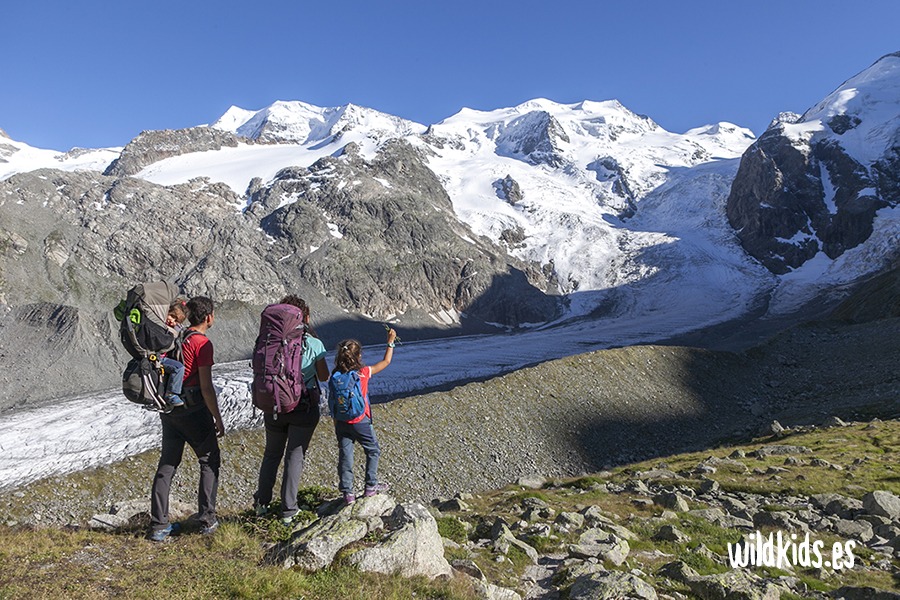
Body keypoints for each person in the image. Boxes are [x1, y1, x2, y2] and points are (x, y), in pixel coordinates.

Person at [149, 296, 226, 542]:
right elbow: (206, 386)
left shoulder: (175, 336)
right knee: (208, 459)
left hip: (170, 410)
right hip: (194, 410)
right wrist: (217, 417)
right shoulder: (202, 343)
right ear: (209, 317)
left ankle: (159, 525)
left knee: (168, 464)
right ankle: (207, 519)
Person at [253, 295, 330, 525]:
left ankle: (261, 505)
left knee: (271, 454)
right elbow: (324, 375)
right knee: (295, 456)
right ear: (303, 317)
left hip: (274, 404)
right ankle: (288, 510)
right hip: (302, 406)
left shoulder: (270, 340)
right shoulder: (313, 344)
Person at [332, 327, 396, 504]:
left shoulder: (335, 376)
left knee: (346, 455)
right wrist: (390, 341)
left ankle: (347, 493)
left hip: (342, 421)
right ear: (358, 356)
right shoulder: (363, 373)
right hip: (361, 420)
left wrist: (336, 422)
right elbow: (386, 361)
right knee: (373, 450)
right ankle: (370, 486)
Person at [159, 300, 188, 409]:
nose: (173, 322)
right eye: (173, 317)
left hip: (161, 358)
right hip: (159, 359)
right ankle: (171, 394)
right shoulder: (162, 327)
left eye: (176, 321)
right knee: (179, 368)